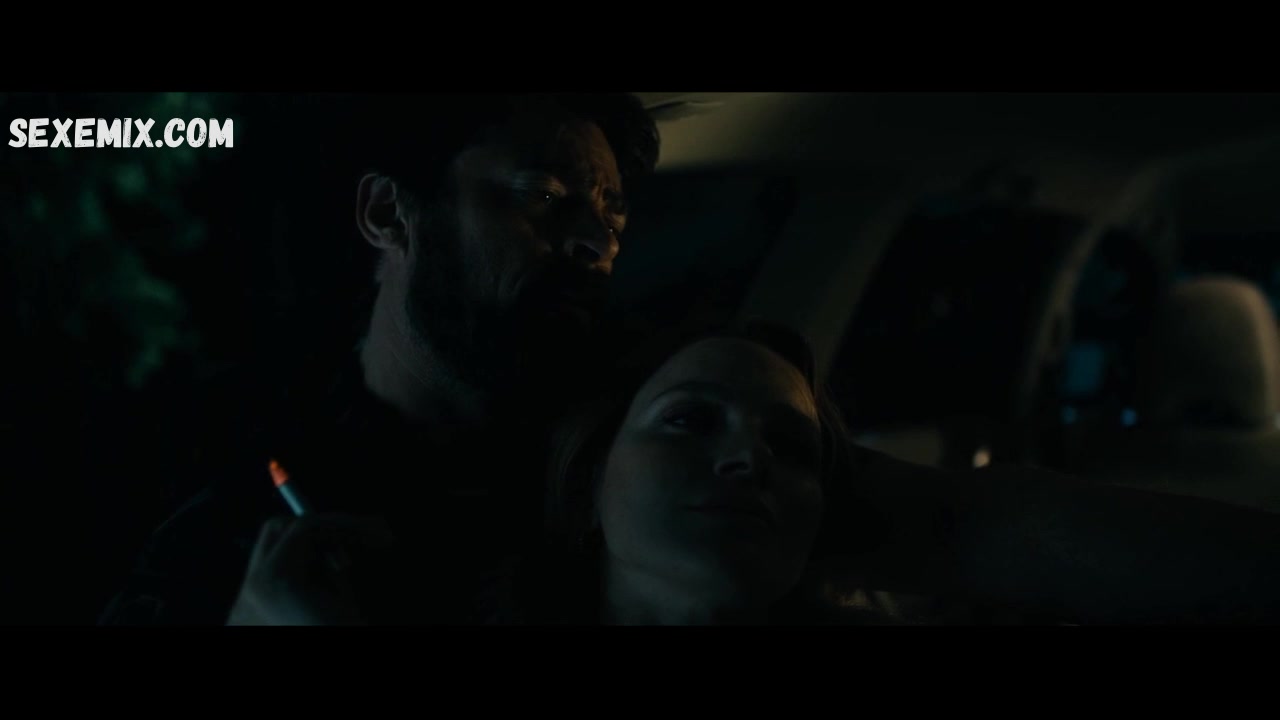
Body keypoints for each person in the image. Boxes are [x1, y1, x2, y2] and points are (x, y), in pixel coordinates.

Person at [100, 93, 661, 624]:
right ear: (387, 212)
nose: (602, 243)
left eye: (613, 221)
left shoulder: (629, 480)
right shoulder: (228, 502)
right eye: (543, 195)